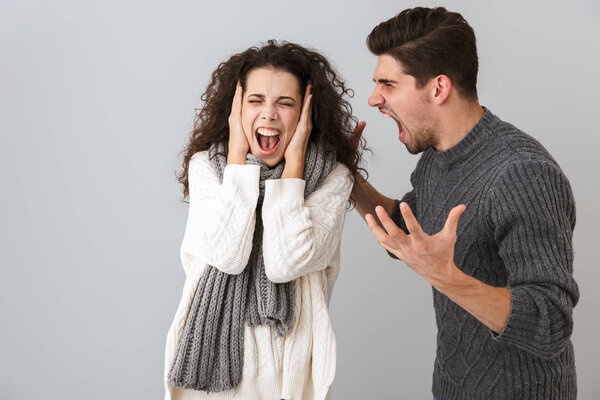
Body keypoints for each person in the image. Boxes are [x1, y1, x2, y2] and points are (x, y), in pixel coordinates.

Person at [351, 7, 579, 400]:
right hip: (454, 388)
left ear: (438, 88)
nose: (374, 99)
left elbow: (550, 322)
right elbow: (412, 234)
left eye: (388, 83)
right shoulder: (437, 156)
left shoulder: (522, 172)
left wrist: (445, 276)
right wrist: (348, 179)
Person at [163, 40, 364, 400]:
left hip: (291, 377)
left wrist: (296, 164)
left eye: (285, 103)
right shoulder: (207, 168)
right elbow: (228, 254)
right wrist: (238, 159)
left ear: (307, 113)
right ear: (235, 109)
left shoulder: (333, 179)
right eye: (255, 101)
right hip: (205, 381)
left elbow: (285, 263)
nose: (269, 114)